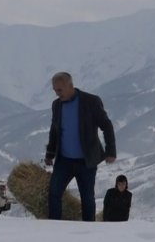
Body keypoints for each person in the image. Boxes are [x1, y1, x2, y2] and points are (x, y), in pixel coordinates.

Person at [44, 71, 117, 222]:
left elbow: (106, 126)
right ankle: (53, 226)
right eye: (55, 90)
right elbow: (54, 130)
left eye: (60, 90)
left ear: (70, 86)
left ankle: (88, 230)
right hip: (64, 161)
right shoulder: (56, 105)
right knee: (54, 193)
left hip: (86, 161)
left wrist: (111, 151)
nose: (57, 94)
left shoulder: (91, 101)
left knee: (87, 198)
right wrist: (50, 153)